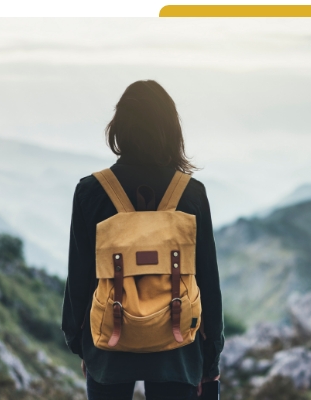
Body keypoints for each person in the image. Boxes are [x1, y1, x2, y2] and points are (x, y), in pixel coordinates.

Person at [61, 80, 224, 400]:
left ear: (118, 129)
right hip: (178, 350)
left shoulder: (91, 192)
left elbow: (79, 279)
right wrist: (211, 358)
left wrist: (81, 345)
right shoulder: (191, 194)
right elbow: (208, 281)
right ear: (171, 131)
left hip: (109, 345)